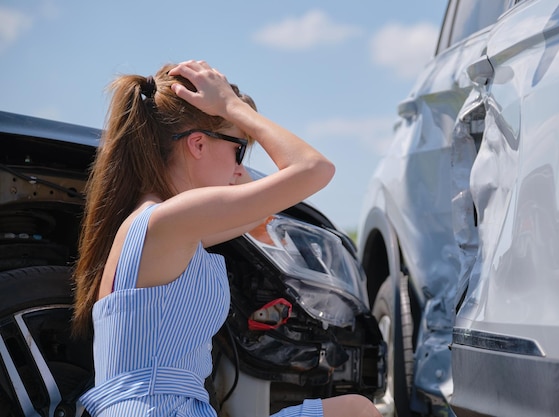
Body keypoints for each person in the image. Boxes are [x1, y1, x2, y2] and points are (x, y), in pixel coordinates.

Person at [72, 60, 382, 417]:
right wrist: (230, 108)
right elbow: (314, 169)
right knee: (356, 411)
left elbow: (261, 215)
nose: (241, 168)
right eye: (238, 149)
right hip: (161, 410)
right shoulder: (174, 218)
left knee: (354, 410)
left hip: (162, 408)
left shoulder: (164, 223)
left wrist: (232, 123)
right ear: (198, 145)